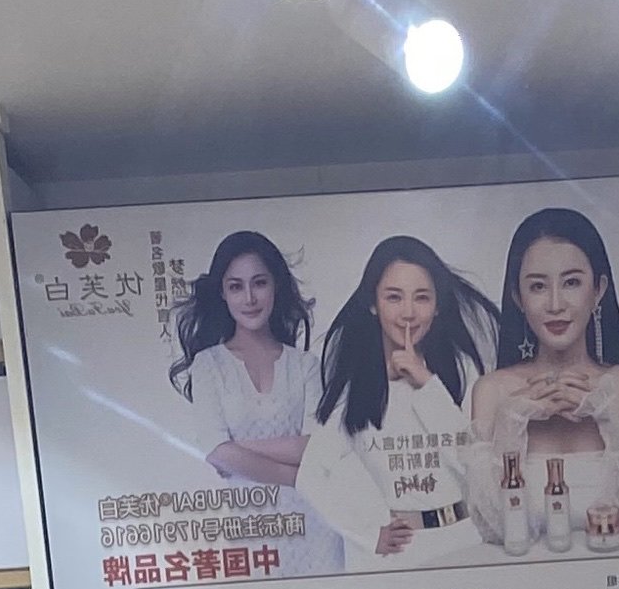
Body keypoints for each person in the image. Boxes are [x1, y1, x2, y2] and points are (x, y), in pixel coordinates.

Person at [470, 207, 619, 551]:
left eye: (572, 283)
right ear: (518, 297)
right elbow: (493, 532)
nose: (555, 304)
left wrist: (612, 418)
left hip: (614, 578)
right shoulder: (493, 391)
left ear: (599, 290)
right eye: (537, 286)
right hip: (528, 581)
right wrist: (511, 425)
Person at [295, 232, 495, 564]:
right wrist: (367, 535)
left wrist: (426, 383)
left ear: (438, 306)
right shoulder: (357, 386)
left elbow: (475, 466)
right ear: (373, 303)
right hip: (398, 555)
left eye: (422, 298)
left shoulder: (462, 369)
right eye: (393, 297)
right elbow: (312, 474)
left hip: (465, 540)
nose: (408, 313)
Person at [168, 226, 314, 492]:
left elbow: (315, 448)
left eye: (260, 283)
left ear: (276, 285)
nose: (249, 298)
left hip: (310, 514)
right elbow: (217, 453)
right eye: (236, 286)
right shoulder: (208, 365)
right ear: (222, 293)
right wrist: (298, 478)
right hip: (241, 516)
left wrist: (234, 449)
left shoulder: (305, 366)